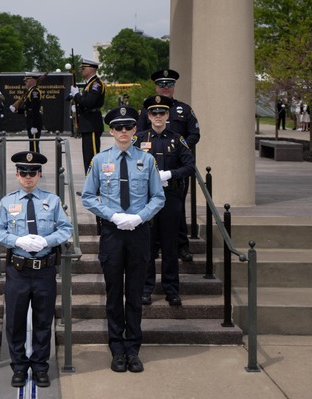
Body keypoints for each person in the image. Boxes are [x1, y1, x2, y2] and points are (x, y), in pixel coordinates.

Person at [81, 105, 165, 373]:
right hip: (113, 232)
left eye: (129, 127)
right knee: (114, 293)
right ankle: (117, 348)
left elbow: (158, 197)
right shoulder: (99, 160)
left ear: (135, 130)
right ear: (111, 130)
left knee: (136, 294)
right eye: (118, 127)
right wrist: (113, 216)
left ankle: (133, 348)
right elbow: (88, 196)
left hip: (139, 232)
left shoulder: (147, 160)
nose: (124, 132)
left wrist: (140, 217)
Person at [0, 151, 72, 388]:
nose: (28, 177)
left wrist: (48, 241)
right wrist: (17, 241)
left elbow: (66, 229)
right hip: (18, 269)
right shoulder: (7, 202)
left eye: (32, 172)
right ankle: (18, 367)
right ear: (16, 174)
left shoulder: (53, 201)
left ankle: (40, 366)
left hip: (44, 269)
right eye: (23, 172)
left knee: (43, 320)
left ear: (39, 174)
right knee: (15, 320)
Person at [135, 95, 195, 307]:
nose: (158, 116)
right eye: (154, 113)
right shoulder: (139, 140)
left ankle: (171, 290)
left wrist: (169, 174)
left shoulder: (177, 140)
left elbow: (189, 167)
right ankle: (146, 289)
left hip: (170, 197)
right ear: (149, 116)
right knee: (147, 246)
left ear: (168, 115)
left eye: (162, 113)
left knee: (170, 246)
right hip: (146, 199)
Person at [137, 69, 200, 262]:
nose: (166, 88)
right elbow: (139, 135)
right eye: (162, 85)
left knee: (177, 210)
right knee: (151, 211)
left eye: (169, 84)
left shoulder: (184, 109)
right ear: (156, 87)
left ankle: (182, 246)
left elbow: (194, 134)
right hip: (151, 169)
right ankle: (154, 247)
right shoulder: (147, 109)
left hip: (176, 169)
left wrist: (179, 151)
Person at [68, 58, 106, 174]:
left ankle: (95, 187)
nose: (81, 71)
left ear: (91, 69)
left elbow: (89, 102)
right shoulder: (89, 84)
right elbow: (85, 102)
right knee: (87, 157)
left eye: (83, 68)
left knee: (92, 156)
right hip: (88, 124)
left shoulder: (96, 84)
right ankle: (90, 184)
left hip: (92, 124)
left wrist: (77, 95)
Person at [10, 73, 44, 152]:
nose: (25, 83)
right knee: (32, 144)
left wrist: (34, 125)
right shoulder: (29, 92)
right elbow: (28, 109)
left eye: (27, 81)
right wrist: (16, 110)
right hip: (30, 121)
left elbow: (35, 109)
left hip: (34, 122)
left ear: (32, 81)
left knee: (34, 145)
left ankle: (35, 161)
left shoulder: (35, 92)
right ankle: (33, 160)